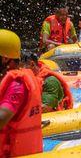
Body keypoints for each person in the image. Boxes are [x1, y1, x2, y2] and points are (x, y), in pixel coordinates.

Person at [0, 29, 43, 157]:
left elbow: (2, 118)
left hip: (14, 153)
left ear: (5, 59)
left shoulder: (17, 85)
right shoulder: (8, 79)